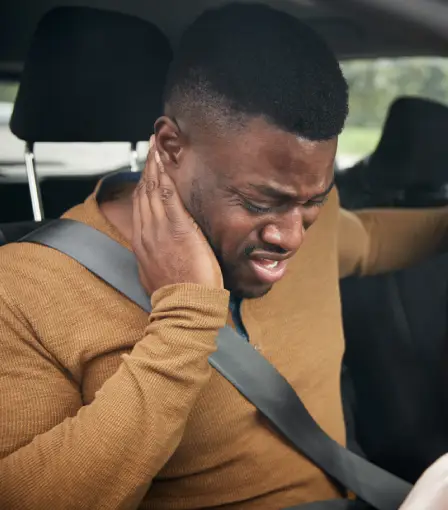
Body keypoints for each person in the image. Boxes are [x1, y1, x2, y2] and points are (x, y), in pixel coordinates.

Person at [1, 3, 448, 509]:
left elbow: (372, 240)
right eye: (259, 202)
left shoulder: (306, 218)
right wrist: (184, 321)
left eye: (314, 201)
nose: (292, 237)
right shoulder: (25, 288)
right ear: (171, 146)